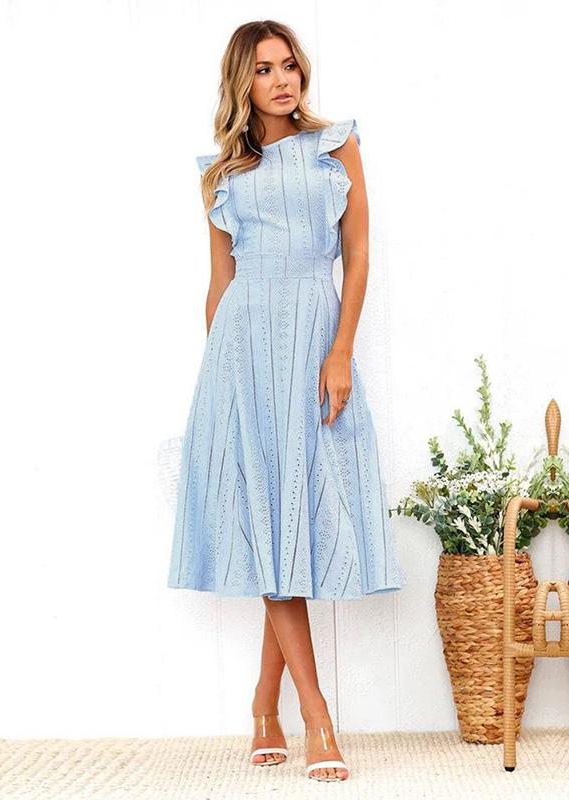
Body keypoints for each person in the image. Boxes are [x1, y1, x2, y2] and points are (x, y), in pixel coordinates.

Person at [167, 19, 406, 782]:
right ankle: (315, 716)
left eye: (289, 65)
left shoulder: (336, 146)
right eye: (265, 68)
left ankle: (264, 701)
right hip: (242, 353)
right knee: (270, 516)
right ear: (242, 80)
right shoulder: (222, 173)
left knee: (299, 513)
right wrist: (218, 381)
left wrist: (340, 351)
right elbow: (220, 283)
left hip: (313, 342)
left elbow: (357, 255)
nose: (281, 79)